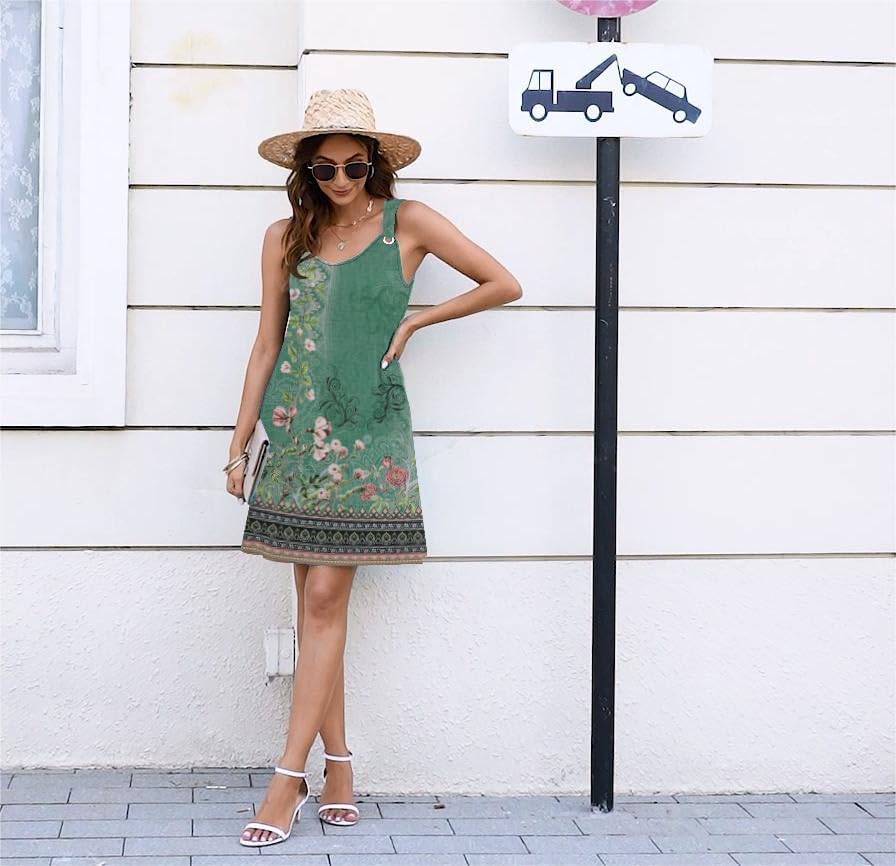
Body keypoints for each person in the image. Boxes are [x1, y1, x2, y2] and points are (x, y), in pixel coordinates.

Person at [224, 88, 522, 847]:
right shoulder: (284, 236)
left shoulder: (408, 222)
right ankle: (340, 767)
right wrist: (240, 439)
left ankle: (287, 779)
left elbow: (503, 283)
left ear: (374, 165)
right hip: (295, 430)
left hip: (367, 432)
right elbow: (267, 343)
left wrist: (419, 319)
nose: (340, 180)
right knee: (313, 604)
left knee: (325, 595)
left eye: (354, 166)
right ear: (305, 171)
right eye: (324, 169)